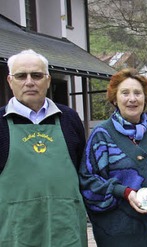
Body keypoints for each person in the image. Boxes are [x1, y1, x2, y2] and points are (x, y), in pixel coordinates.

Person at [79, 68, 147, 246]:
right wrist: (124, 192)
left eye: (137, 93)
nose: (132, 99)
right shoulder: (102, 135)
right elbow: (88, 183)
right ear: (115, 98)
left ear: (146, 98)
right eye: (125, 93)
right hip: (117, 232)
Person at [0, 49, 88, 246]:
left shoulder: (70, 119)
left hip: (66, 230)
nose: (29, 82)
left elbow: (85, 173)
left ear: (48, 80)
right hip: (16, 233)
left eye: (37, 75)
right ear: (10, 81)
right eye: (21, 76)